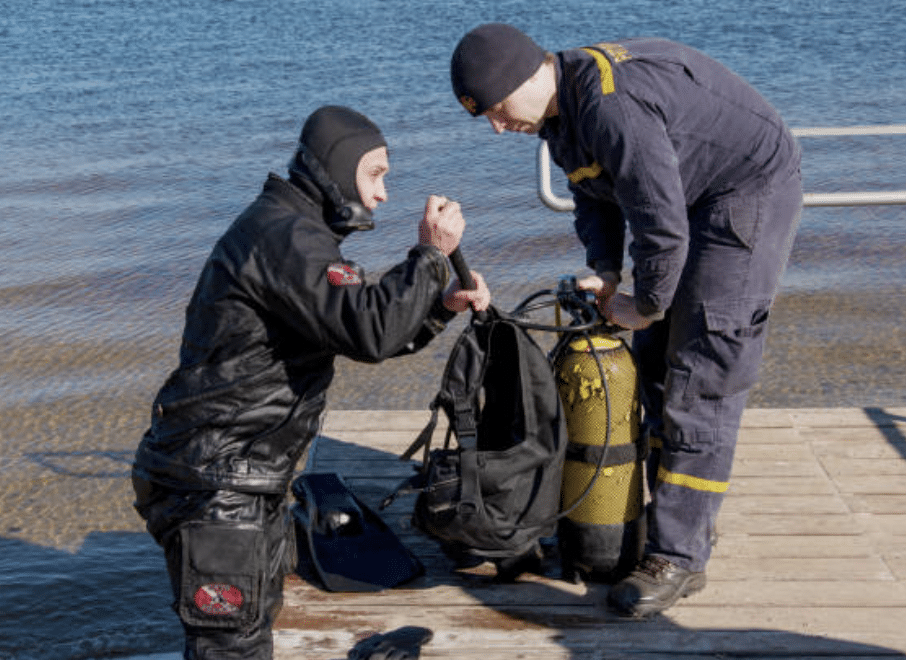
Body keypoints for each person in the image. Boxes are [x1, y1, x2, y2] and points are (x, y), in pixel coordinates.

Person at [450, 24, 801, 617]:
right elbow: (595, 196)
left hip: (746, 192)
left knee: (702, 373)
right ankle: (676, 524)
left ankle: (679, 558)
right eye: (484, 117)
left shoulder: (611, 107)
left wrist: (645, 304)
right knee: (657, 365)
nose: (496, 125)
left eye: (498, 109)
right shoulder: (560, 117)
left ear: (528, 74)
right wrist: (606, 271)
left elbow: (662, 228)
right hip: (689, 192)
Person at [131, 104, 490, 659]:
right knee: (231, 646)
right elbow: (369, 329)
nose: (382, 194)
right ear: (337, 167)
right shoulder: (287, 238)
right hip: (218, 488)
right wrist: (428, 254)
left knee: (250, 626)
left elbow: (360, 328)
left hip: (236, 477)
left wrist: (439, 309)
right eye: (375, 175)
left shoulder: (292, 231)